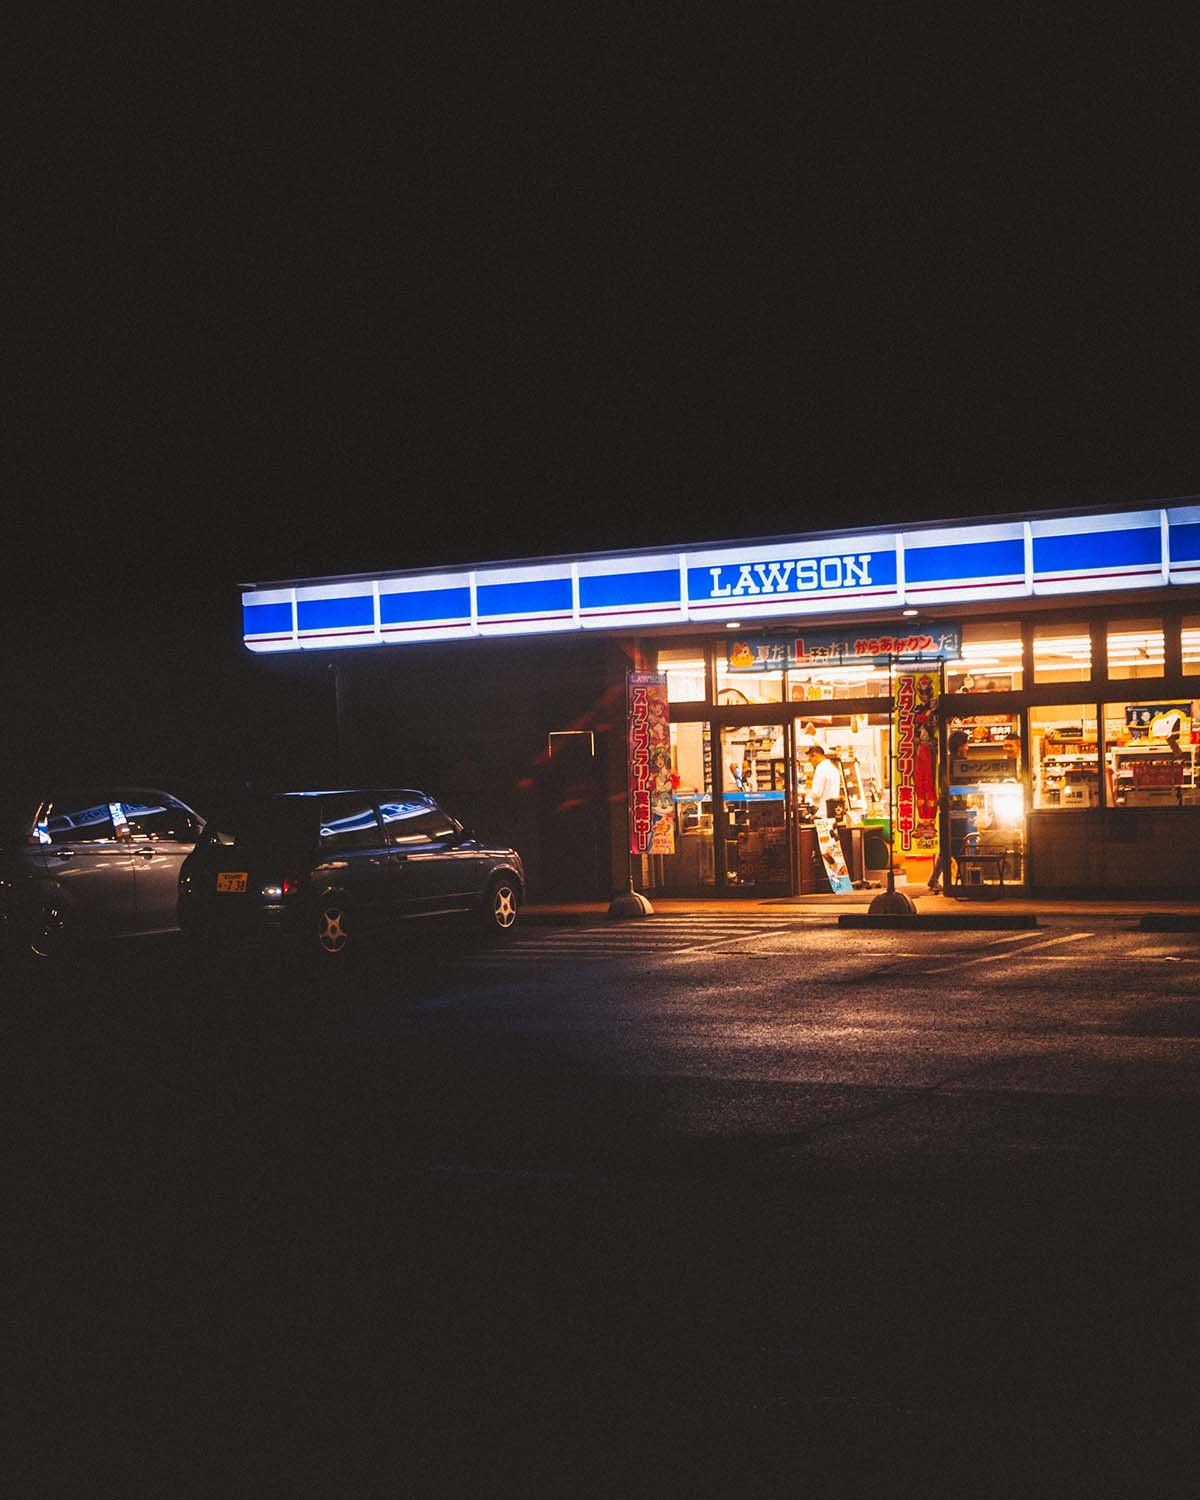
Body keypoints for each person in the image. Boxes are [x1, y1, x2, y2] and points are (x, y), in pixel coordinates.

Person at [928, 729, 970, 893]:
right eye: (966, 744)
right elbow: (965, 783)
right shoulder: (960, 763)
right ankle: (963, 879)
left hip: (947, 807)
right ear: (960, 746)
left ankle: (936, 878)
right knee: (958, 844)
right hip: (957, 808)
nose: (967, 747)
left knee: (948, 844)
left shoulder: (944, 762)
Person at [805, 743, 841, 817]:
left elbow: (816, 793)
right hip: (834, 810)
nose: (810, 762)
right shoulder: (832, 768)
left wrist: (806, 795)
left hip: (822, 812)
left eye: (810, 759)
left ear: (815, 755)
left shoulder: (820, 769)